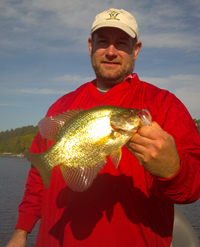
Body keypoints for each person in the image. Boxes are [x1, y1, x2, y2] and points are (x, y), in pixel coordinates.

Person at [6, 8, 200, 247]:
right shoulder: (61, 106)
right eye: (103, 42)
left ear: (136, 49)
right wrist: (22, 229)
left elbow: (192, 188)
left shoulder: (164, 104)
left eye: (121, 43)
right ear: (90, 46)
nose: (111, 52)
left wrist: (175, 169)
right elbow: (38, 175)